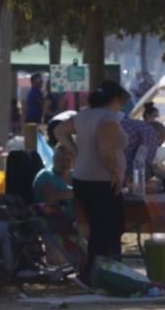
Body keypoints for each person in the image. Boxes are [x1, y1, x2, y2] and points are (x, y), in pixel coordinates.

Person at [53, 80, 130, 285]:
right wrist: (115, 170)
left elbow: (59, 131)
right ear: (115, 99)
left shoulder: (83, 115)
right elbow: (104, 149)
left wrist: (75, 149)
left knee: (100, 228)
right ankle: (92, 274)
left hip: (83, 178)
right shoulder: (108, 119)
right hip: (101, 179)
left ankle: (99, 273)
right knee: (110, 228)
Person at [33, 141, 74, 219]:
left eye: (68, 160)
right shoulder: (46, 175)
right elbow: (49, 198)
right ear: (54, 158)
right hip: (51, 223)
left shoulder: (73, 175)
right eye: (61, 160)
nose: (65, 163)